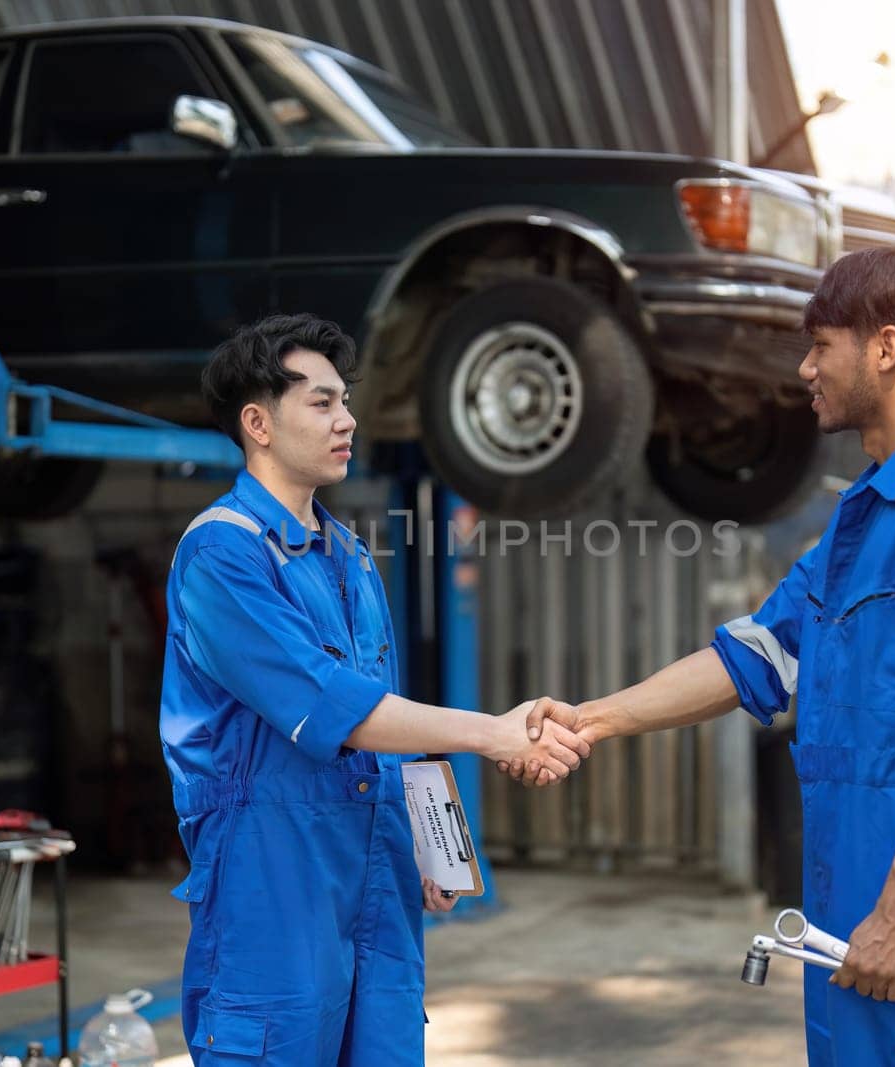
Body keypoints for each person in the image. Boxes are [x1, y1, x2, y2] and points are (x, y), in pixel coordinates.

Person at [510, 245, 895, 1065]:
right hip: (854, 899)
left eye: (819, 345)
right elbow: (751, 661)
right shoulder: (863, 518)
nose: (805, 369)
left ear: (886, 346)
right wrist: (590, 720)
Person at [160, 313, 588, 1067]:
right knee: (273, 1045)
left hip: (375, 874)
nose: (347, 418)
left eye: (345, 399)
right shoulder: (219, 555)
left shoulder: (348, 554)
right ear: (258, 422)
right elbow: (334, 707)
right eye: (321, 402)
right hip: (273, 881)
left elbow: (388, 704)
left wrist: (437, 844)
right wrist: (493, 731)